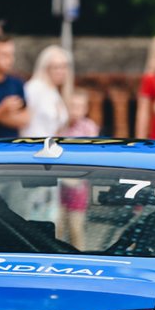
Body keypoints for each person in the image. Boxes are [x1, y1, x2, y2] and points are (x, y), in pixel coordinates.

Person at [57, 91, 100, 249]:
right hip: (60, 183)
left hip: (78, 183)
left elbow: (90, 152)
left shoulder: (88, 127)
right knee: (57, 226)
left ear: (85, 109)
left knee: (76, 227)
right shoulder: (61, 126)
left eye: (79, 106)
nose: (75, 110)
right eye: (72, 106)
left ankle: (78, 254)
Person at [22, 45, 71, 137]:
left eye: (64, 67)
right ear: (46, 68)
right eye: (56, 67)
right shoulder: (34, 87)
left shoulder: (55, 91)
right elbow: (23, 121)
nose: (61, 71)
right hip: (33, 146)